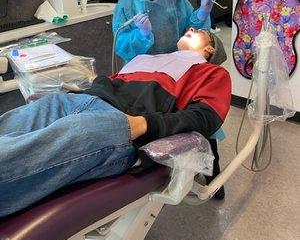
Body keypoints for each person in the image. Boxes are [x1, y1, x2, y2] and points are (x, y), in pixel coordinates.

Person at [0, 29, 230, 217]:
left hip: (119, 122)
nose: (190, 28)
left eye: (199, 31)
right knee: (11, 124)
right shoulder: (150, 59)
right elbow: (113, 83)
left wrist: (144, 125)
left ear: (210, 49)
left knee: (72, 134)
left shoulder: (211, 73)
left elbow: (204, 118)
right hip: (77, 100)